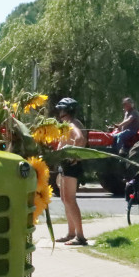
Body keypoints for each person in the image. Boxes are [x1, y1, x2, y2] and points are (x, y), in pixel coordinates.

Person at [55, 97, 87, 246]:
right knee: (64, 199)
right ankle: (71, 233)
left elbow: (79, 139)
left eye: (61, 109)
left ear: (65, 111)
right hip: (64, 166)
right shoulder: (67, 124)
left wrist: (73, 155)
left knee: (70, 199)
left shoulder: (72, 124)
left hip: (71, 166)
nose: (59, 112)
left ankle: (80, 236)